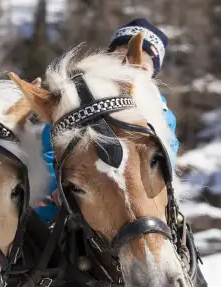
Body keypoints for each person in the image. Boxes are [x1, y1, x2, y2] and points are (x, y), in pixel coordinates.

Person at [35, 18, 179, 224]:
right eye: (121, 60)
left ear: (153, 74)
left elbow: (167, 151)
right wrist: (54, 186)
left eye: (142, 66)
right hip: (83, 191)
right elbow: (53, 147)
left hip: (143, 195)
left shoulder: (160, 110)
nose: (130, 69)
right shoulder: (80, 104)